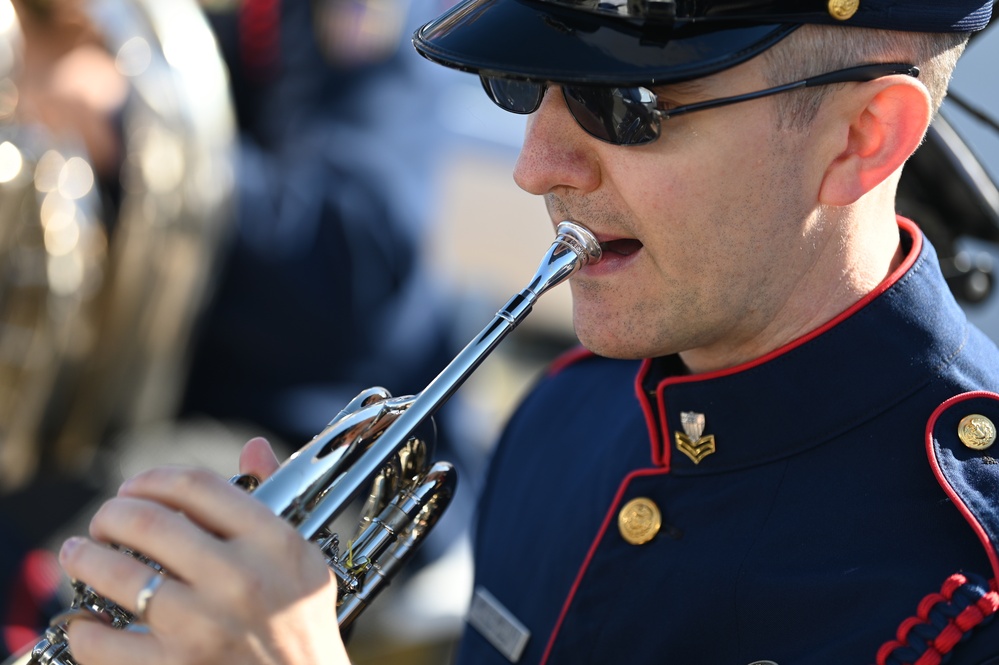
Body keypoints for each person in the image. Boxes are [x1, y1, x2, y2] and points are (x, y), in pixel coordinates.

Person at [48, 0, 999, 664]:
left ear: (861, 136)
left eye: (624, 107)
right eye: (527, 84)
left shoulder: (969, 593)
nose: (536, 167)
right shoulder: (563, 415)